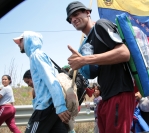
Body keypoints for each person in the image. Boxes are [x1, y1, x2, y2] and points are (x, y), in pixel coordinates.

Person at [66, 1, 135, 133]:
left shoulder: (100, 26)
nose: (73, 19)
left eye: (76, 14)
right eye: (70, 19)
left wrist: (84, 59)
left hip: (120, 92)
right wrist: (81, 64)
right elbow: (94, 71)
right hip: (106, 96)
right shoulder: (88, 40)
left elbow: (124, 53)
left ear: (87, 12)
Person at [13, 31, 71, 133]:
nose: (18, 43)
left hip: (45, 107)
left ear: (28, 40)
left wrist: (60, 106)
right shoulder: (37, 56)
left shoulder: (37, 56)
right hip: (51, 107)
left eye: (21, 40)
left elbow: (51, 81)